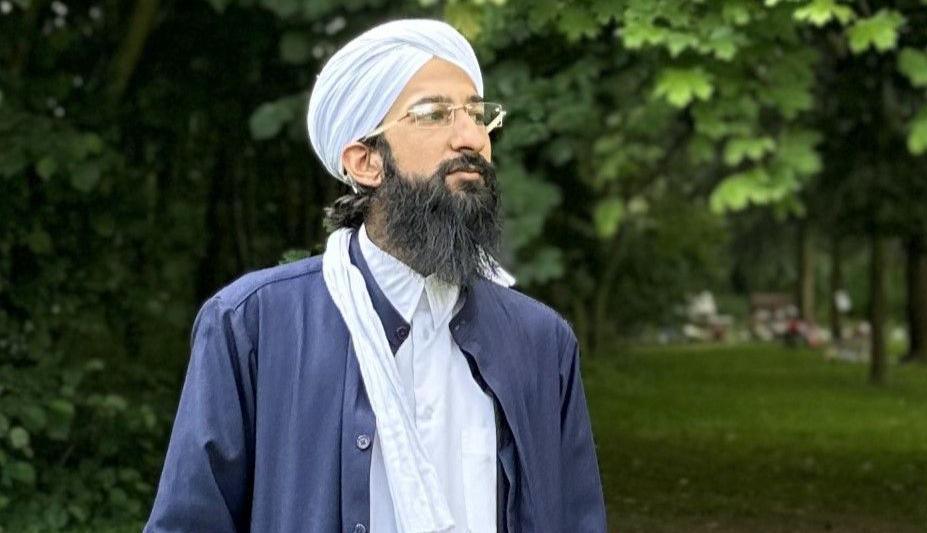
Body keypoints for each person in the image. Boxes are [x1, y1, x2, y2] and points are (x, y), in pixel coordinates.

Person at [145, 18, 605, 533]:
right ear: (365, 162)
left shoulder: (541, 342)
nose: (471, 137)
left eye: (478, 115)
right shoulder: (253, 325)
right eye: (434, 114)